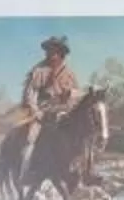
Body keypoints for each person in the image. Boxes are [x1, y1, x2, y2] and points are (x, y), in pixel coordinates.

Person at [13, 36, 77, 178]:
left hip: (63, 111)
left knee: (80, 135)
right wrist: (36, 111)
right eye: (49, 51)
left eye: (54, 51)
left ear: (61, 53)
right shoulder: (39, 71)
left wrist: (69, 97)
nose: (51, 54)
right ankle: (25, 172)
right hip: (42, 111)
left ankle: (83, 170)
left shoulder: (69, 74)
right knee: (31, 138)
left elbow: (74, 95)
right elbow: (31, 94)